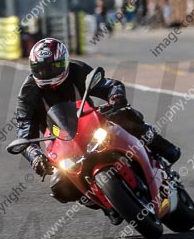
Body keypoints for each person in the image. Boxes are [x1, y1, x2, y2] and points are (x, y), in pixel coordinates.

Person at [14, 38, 181, 224]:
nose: (47, 73)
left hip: (89, 121)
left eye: (53, 67)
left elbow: (109, 85)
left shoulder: (77, 70)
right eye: (41, 69)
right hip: (59, 140)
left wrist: (115, 97)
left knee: (124, 116)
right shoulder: (27, 93)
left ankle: (161, 148)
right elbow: (23, 133)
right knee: (59, 185)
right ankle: (107, 205)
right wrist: (36, 156)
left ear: (64, 62)